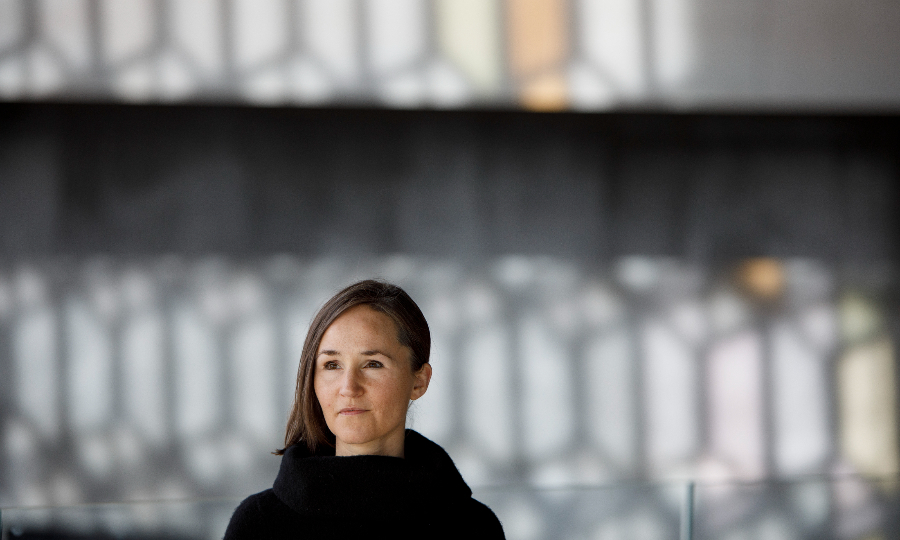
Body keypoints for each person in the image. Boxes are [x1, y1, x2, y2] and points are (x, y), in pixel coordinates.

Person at [224, 279, 505, 539]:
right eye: (332, 365)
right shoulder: (258, 524)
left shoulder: (474, 527)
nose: (349, 387)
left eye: (373, 364)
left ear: (419, 381)